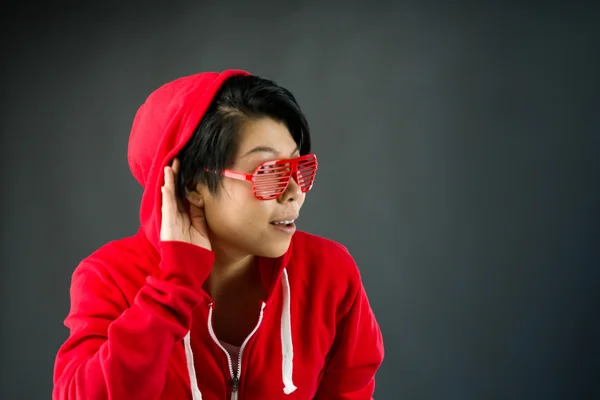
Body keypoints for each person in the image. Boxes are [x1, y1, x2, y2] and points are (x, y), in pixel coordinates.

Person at [53, 69, 384, 399]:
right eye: (269, 172)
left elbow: (350, 392)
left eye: (300, 167)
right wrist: (174, 287)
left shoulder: (329, 272)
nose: (295, 192)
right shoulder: (109, 277)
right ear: (194, 184)